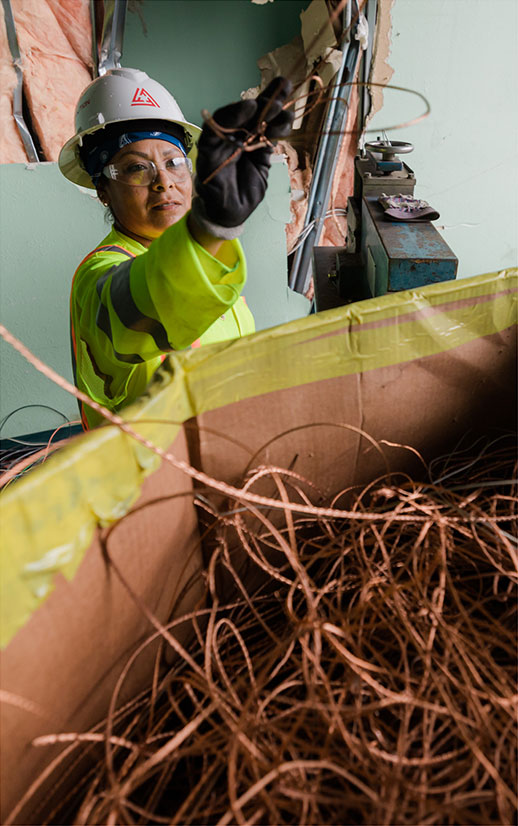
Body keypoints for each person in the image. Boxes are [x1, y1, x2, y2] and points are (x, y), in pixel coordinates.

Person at [58, 67, 292, 429]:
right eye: (137, 168)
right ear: (103, 190)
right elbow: (150, 303)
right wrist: (212, 225)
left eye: (174, 162)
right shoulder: (99, 277)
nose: (163, 182)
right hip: (152, 477)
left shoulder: (213, 260)